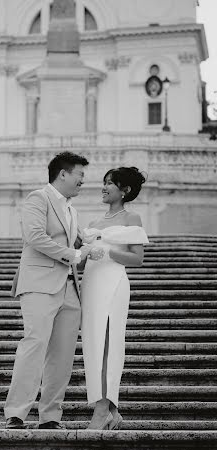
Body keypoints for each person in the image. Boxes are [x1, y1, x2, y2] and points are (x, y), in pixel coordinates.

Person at [4, 151, 102, 430]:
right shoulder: (38, 198)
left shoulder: (72, 209)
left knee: (62, 356)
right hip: (40, 284)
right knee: (34, 345)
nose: (83, 181)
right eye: (80, 175)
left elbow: (78, 244)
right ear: (63, 174)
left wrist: (90, 246)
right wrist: (73, 254)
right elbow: (34, 237)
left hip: (70, 288)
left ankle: (50, 416)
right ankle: (16, 413)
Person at [80, 166, 149, 430]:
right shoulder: (94, 224)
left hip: (114, 284)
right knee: (94, 346)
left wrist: (107, 253)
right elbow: (82, 262)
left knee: (110, 345)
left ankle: (101, 410)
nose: (104, 187)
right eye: (104, 182)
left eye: (110, 183)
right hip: (92, 285)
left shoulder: (132, 218)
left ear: (125, 190)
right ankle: (112, 412)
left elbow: (137, 258)